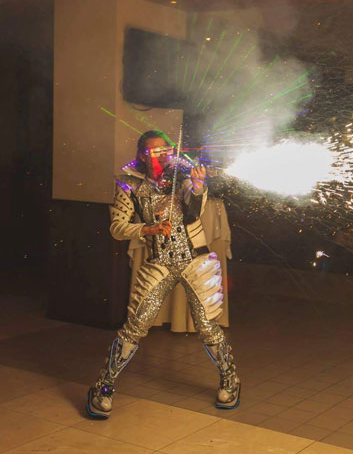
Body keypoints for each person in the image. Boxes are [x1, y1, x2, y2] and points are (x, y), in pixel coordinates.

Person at [86, 130, 240, 419]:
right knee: (135, 326)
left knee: (207, 325)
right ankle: (103, 388)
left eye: (165, 150)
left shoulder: (184, 176)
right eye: (153, 152)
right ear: (142, 155)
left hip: (195, 260)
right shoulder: (129, 183)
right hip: (159, 262)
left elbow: (194, 212)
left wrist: (197, 187)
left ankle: (230, 379)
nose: (161, 156)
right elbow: (117, 227)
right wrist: (147, 229)